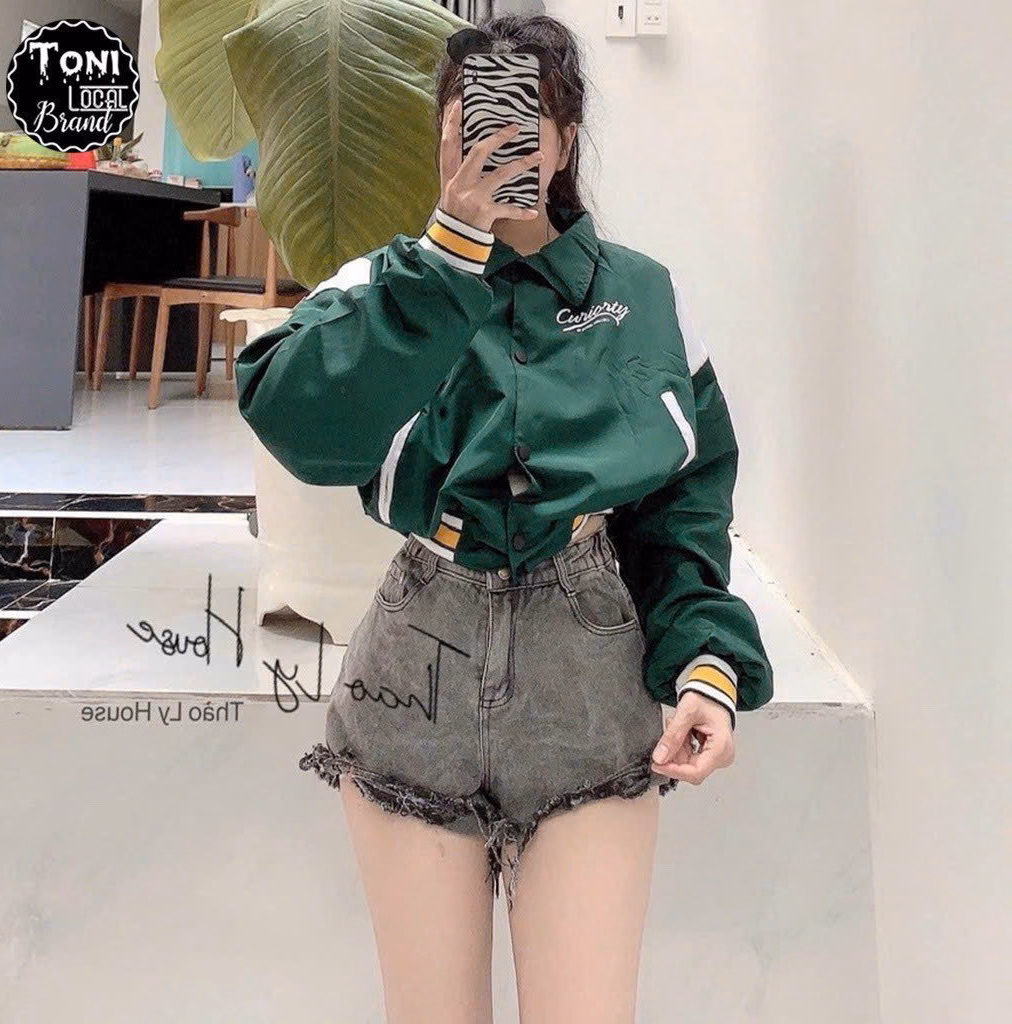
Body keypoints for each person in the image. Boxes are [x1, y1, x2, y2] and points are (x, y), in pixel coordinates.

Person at [235, 12, 773, 1023]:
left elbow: (682, 509)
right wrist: (447, 259)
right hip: (419, 665)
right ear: (442, 134)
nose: (497, 145)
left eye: (525, 122)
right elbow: (299, 425)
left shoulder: (647, 298)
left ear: (566, 139)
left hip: (587, 676)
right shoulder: (385, 287)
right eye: (471, 121)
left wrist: (705, 660)